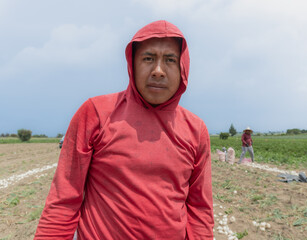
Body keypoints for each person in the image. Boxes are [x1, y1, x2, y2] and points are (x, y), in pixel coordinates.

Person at [34, 20, 214, 239]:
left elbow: (199, 209)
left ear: (183, 67)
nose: (158, 71)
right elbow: (63, 201)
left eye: (170, 60)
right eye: (148, 58)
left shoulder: (195, 130)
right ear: (132, 64)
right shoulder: (96, 114)